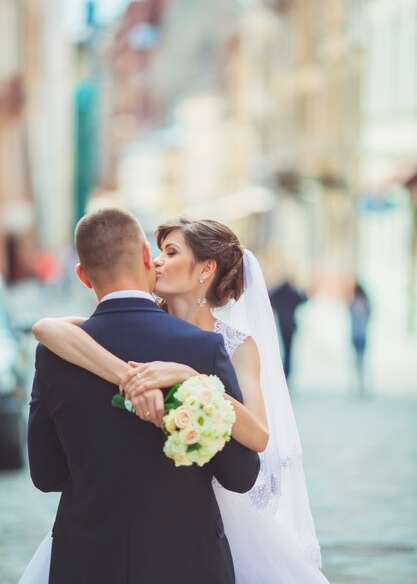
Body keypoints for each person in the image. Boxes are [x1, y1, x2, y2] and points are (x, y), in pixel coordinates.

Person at [23, 215, 330, 584]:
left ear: (206, 270)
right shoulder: (199, 347)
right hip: (188, 548)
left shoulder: (228, 345)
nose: (157, 261)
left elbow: (46, 474)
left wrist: (192, 380)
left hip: (98, 548)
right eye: (155, 252)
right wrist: (129, 377)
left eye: (170, 252)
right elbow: (47, 328)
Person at [269, 279, 307, 380]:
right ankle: (287, 371)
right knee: (288, 350)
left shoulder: (279, 294)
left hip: (282, 324)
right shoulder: (291, 293)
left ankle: (284, 371)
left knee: (284, 349)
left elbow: (270, 300)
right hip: (290, 324)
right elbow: (303, 299)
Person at [349, 281, 371, 396]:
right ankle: (361, 383)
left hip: (356, 334)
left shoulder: (354, 303)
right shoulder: (365, 303)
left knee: (358, 360)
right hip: (362, 334)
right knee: (361, 360)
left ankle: (360, 383)